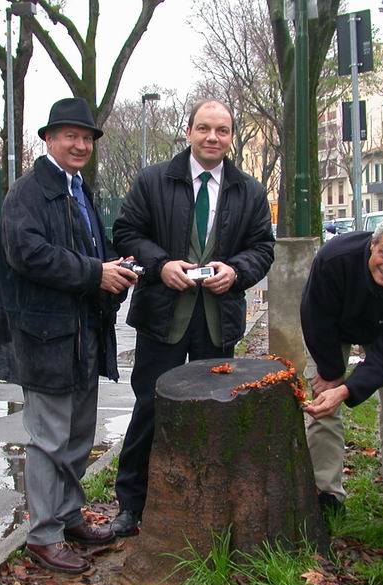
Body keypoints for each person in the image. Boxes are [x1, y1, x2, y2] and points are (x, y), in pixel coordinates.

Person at [109, 99, 275, 537]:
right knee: (150, 408)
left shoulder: (250, 191)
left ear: (232, 137)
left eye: (222, 130)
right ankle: (131, 505)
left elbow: (263, 248)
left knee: (214, 413)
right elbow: (125, 232)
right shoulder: (152, 181)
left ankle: (211, 504)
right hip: (163, 316)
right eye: (204, 129)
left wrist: (237, 271)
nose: (212, 138)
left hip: (217, 320)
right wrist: (160, 264)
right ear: (188, 132)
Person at [0, 97, 138, 573]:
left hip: (82, 338)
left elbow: (90, 250)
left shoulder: (80, 190)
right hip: (44, 339)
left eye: (86, 138)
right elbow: (28, 254)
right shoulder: (28, 192)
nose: (79, 145)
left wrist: (116, 269)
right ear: (48, 139)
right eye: (69, 136)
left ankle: (69, 516)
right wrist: (95, 272)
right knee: (49, 440)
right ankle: (43, 535)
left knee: (78, 437)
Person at [300, 212, 383, 549]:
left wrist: (348, 389)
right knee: (321, 407)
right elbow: (315, 318)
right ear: (373, 245)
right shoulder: (334, 259)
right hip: (333, 329)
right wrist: (331, 375)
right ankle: (326, 494)